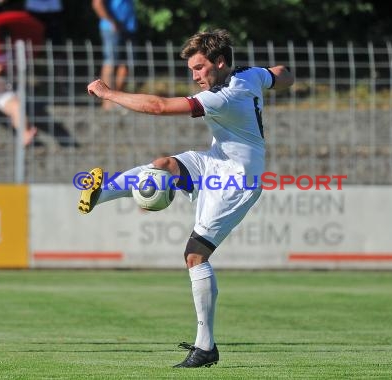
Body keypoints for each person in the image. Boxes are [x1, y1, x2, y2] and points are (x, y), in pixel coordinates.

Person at [80, 29, 294, 367]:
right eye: (192, 69)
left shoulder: (222, 98)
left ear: (219, 63)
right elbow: (282, 73)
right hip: (216, 160)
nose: (194, 76)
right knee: (163, 166)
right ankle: (102, 191)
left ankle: (205, 347)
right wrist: (276, 78)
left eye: (199, 68)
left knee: (195, 256)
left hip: (237, 180)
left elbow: (159, 106)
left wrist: (108, 93)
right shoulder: (248, 76)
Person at [91, 0, 137, 111]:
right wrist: (111, 22)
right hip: (111, 28)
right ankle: (106, 103)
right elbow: (97, 4)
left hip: (130, 27)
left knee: (126, 64)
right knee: (110, 62)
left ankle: (118, 100)